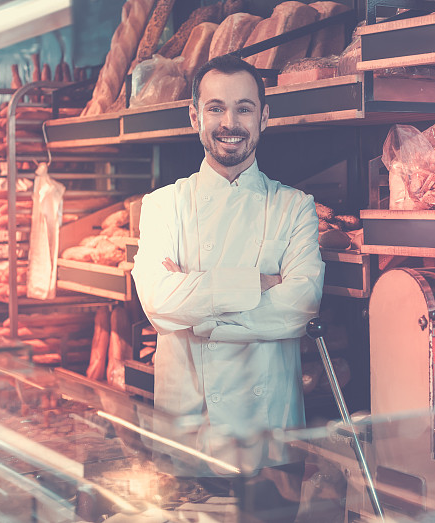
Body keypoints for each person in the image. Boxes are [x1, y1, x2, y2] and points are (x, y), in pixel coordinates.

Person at [131, 55, 325, 520]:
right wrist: (256, 285)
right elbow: (158, 302)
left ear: (264, 116)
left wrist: (198, 312)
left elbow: (300, 306)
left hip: (271, 441)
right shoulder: (162, 206)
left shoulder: (294, 207)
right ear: (195, 115)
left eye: (243, 108)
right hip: (190, 434)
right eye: (216, 108)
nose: (230, 123)